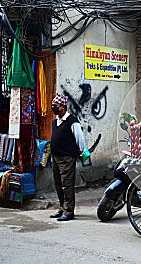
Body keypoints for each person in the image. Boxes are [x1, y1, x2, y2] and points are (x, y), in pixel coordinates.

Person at [49, 93, 87, 221]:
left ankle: (69, 211)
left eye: (56, 106)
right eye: (53, 105)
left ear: (63, 107)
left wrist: (81, 151)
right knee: (58, 184)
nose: (53, 108)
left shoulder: (72, 121)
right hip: (56, 157)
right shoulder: (55, 122)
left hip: (67, 158)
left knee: (67, 184)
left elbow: (80, 138)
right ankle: (62, 207)